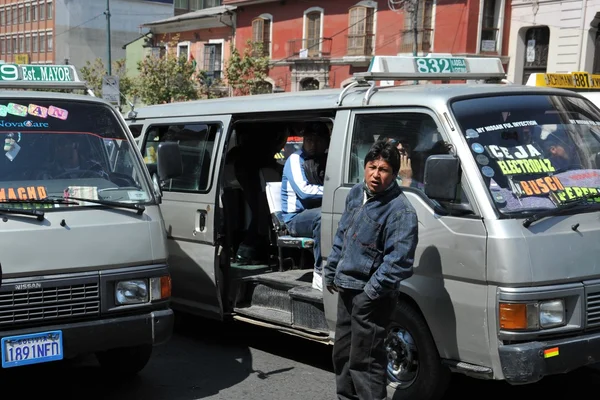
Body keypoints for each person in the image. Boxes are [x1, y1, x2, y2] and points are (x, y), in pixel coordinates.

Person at [324, 139, 418, 400]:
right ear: (364, 167)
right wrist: (331, 270)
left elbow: (398, 262)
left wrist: (368, 295)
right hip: (347, 289)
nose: (376, 174)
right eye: (372, 166)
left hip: (373, 298)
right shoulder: (356, 193)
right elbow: (342, 234)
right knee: (342, 356)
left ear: (394, 173)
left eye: (384, 169)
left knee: (365, 363)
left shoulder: (400, 211)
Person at [281, 122, 330, 290]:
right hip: (295, 218)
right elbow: (304, 192)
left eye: (317, 140)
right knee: (324, 218)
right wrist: (333, 191)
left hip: (313, 212)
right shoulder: (295, 159)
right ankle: (320, 273)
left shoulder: (323, 160)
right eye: (309, 140)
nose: (313, 145)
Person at [40, 135, 109, 180]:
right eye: (55, 145)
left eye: (62, 143)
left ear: (75, 145)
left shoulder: (94, 168)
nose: (57, 148)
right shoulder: (48, 173)